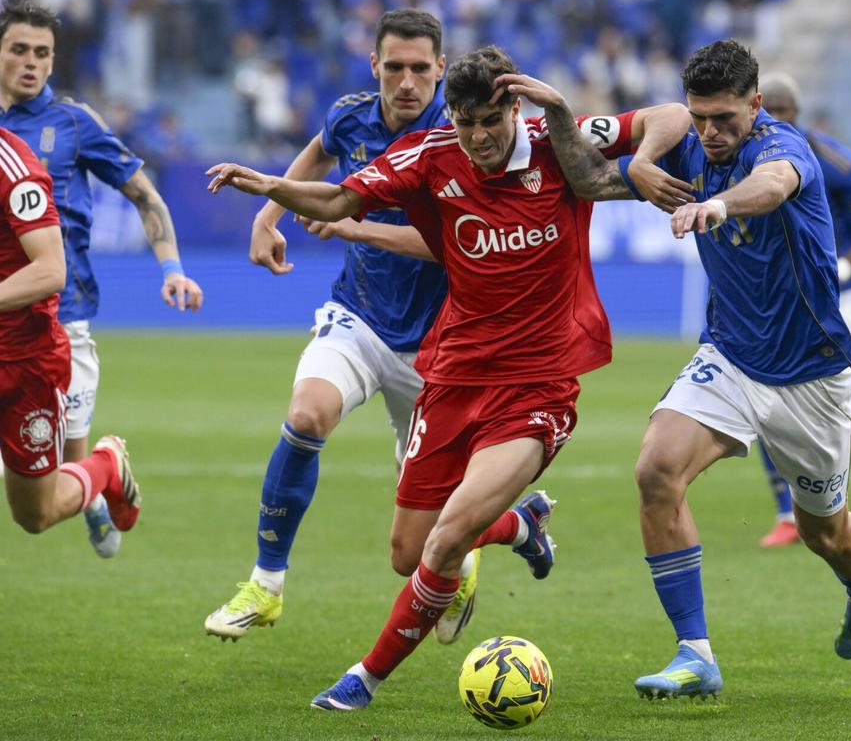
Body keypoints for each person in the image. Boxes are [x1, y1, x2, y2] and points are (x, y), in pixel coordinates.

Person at [206, 44, 691, 711]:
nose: (479, 136)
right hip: (454, 375)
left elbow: (672, 114)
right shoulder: (432, 155)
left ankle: (363, 680)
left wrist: (638, 158)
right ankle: (520, 527)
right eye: (465, 122)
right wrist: (271, 190)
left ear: (514, 107)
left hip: (538, 386)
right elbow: (344, 194)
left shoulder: (559, 141)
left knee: (448, 535)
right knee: (412, 552)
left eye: (490, 120)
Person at [535, 39, 851, 699]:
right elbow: (588, 180)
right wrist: (565, 113)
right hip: (729, 356)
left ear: (756, 106)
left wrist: (718, 205)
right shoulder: (689, 150)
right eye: (700, 117)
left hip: (811, 377)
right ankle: (694, 653)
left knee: (826, 534)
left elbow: (772, 186)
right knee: (655, 468)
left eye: (725, 117)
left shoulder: (783, 150)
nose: (711, 132)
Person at [0, 0, 203, 651]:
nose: (32, 64)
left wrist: (171, 265)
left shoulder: (60, 132)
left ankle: (105, 471)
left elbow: (135, 201)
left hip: (54, 328)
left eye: (44, 54)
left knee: (40, 505)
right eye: (20, 51)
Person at [204, 8, 482, 647]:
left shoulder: (459, 136)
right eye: (395, 68)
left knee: (415, 551)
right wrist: (267, 217)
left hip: (440, 344)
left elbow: (449, 245)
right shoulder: (353, 113)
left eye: (420, 69)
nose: (407, 82)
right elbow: (317, 153)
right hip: (358, 314)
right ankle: (265, 585)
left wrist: (353, 225)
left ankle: (479, 552)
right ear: (376, 67)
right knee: (306, 416)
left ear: (440, 70)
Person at [753, 72, 851, 548]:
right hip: (775, 303)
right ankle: (785, 513)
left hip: (834, 303)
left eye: (784, 110)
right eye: (767, 109)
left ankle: (830, 509)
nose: (776, 118)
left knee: (826, 409)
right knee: (767, 406)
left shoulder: (827, 157)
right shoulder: (745, 156)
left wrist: (846, 263)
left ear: (798, 112)